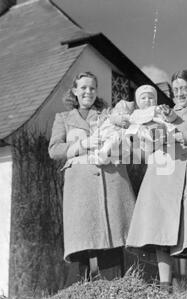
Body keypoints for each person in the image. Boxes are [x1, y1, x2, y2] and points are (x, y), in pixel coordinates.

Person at [126, 69, 187, 291]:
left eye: (184, 88)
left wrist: (180, 136)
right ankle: (165, 286)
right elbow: (146, 141)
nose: (179, 93)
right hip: (161, 174)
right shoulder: (159, 112)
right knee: (160, 229)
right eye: (175, 89)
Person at [48, 71, 136, 279]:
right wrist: (82, 144)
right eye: (84, 87)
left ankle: (114, 286)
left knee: (111, 235)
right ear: (75, 91)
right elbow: (54, 150)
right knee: (82, 238)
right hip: (80, 186)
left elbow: (126, 132)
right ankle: (82, 287)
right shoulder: (63, 118)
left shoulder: (107, 114)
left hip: (110, 180)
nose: (88, 91)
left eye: (93, 88)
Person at [88, 84, 175, 165]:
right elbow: (125, 118)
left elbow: (170, 118)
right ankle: (103, 154)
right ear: (138, 101)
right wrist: (117, 119)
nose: (147, 100)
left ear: (155, 100)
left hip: (150, 135)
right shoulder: (136, 113)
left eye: (151, 98)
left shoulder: (157, 109)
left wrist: (169, 114)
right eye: (143, 98)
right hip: (134, 137)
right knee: (116, 136)